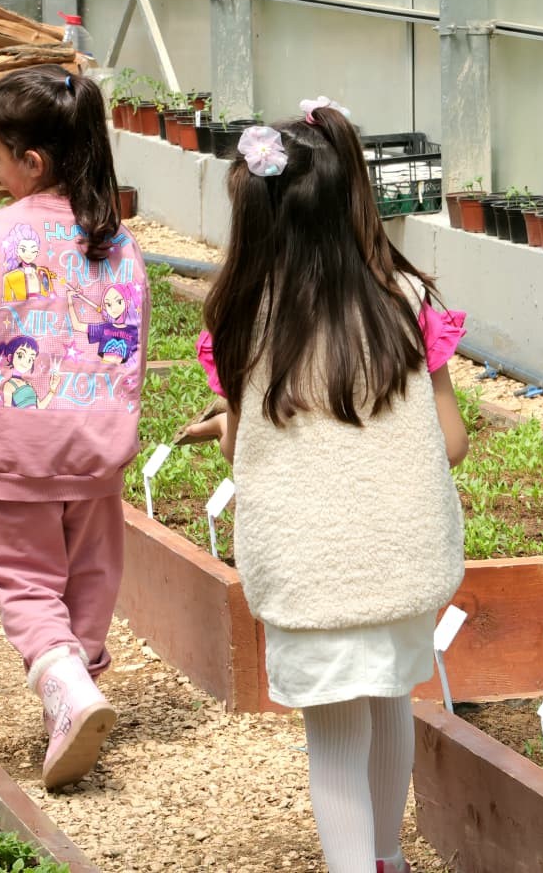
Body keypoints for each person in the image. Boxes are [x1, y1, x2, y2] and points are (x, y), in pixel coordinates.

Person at [188, 98, 469, 873]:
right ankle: (388, 859)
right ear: (353, 196)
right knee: (389, 701)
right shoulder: (407, 305)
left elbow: (246, 457)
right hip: (403, 563)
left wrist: (228, 427)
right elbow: (451, 442)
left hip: (315, 575)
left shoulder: (244, 322)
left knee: (336, 741)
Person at [0, 65, 149, 790]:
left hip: (20, 451)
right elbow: (132, 347)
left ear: (31, 162)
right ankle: (75, 689)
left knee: (24, 580)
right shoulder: (119, 243)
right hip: (96, 451)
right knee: (91, 577)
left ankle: (67, 691)